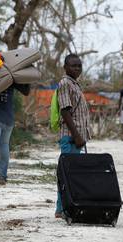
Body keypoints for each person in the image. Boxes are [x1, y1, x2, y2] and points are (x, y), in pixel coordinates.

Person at [55, 54, 91, 218]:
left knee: (70, 174)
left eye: (79, 66)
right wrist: (76, 136)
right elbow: (65, 112)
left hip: (77, 138)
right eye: (73, 65)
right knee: (67, 174)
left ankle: (63, 208)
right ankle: (62, 209)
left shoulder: (75, 84)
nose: (77, 68)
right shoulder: (64, 84)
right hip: (70, 138)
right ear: (65, 67)